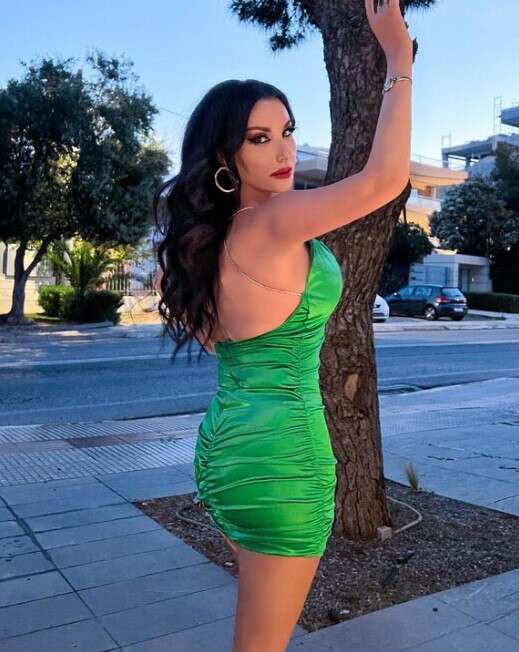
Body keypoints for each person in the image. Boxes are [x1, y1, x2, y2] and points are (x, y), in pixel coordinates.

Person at [153, 1, 413, 649]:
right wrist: (398, 59)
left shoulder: (204, 249)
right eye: (259, 138)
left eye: (287, 131)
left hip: (225, 450)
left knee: (256, 627)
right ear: (224, 155)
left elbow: (224, 340)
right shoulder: (273, 222)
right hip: (283, 460)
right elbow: (385, 179)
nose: (284, 150)